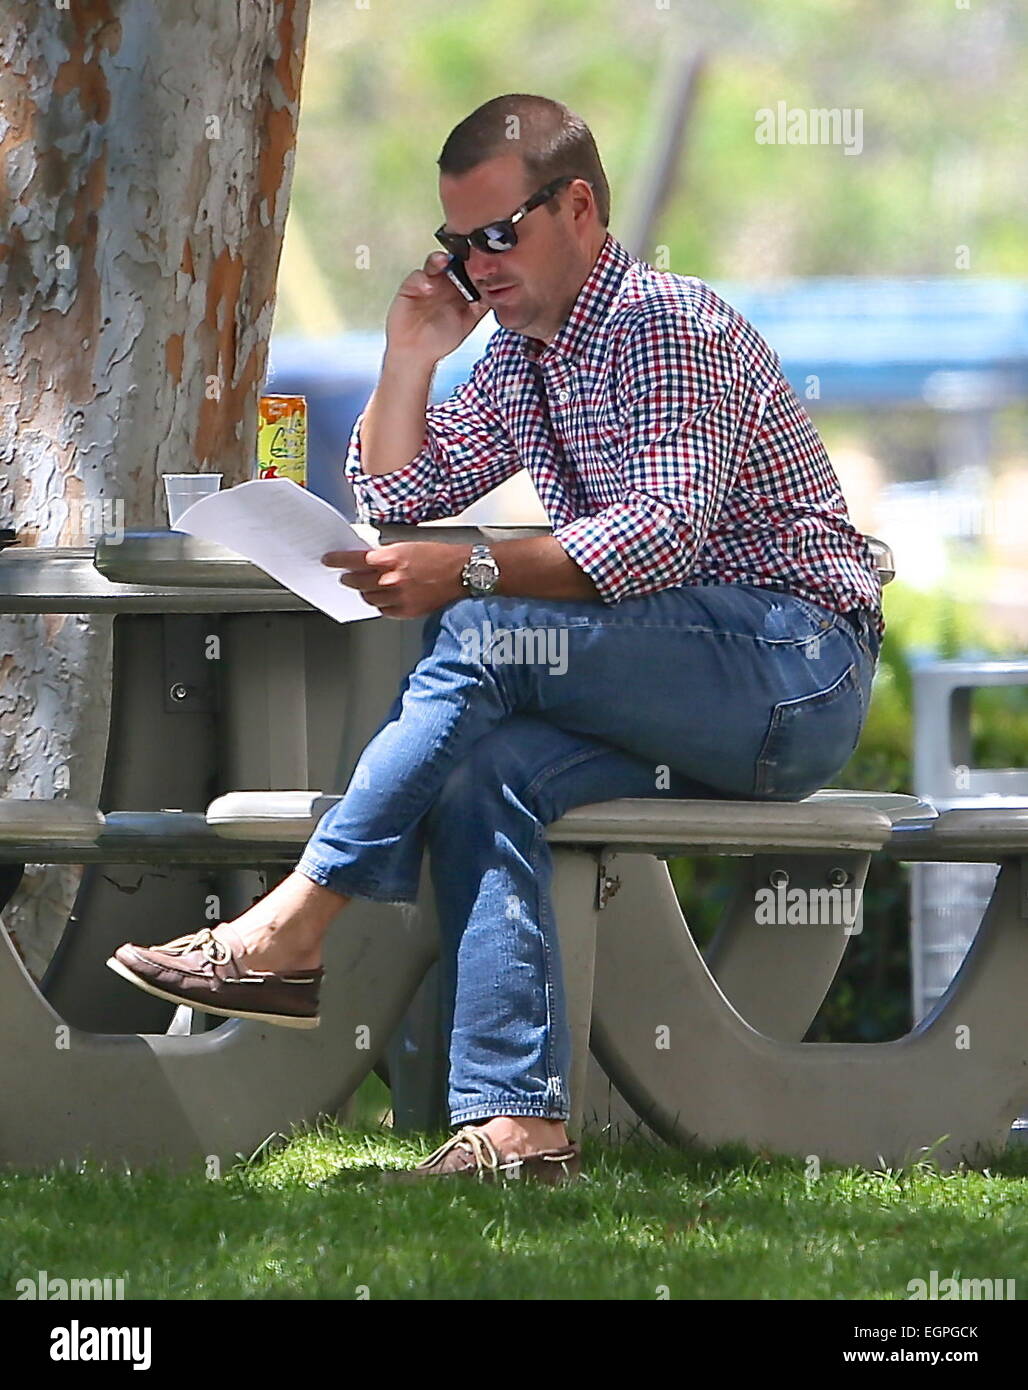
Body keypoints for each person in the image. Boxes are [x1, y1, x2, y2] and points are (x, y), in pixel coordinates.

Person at [108, 93, 883, 1185]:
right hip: (681, 682)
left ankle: (290, 926)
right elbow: (398, 488)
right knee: (484, 776)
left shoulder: (667, 324)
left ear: (577, 207)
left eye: (497, 234)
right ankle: (519, 1128)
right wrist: (409, 353)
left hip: (792, 666)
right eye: (456, 243)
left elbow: (657, 538)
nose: (476, 263)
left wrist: (467, 568)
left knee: (480, 631)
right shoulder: (525, 353)